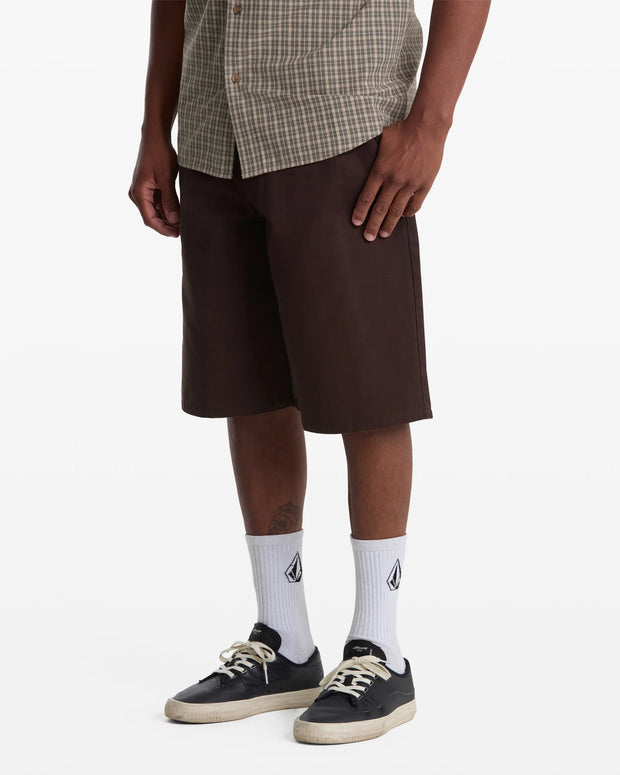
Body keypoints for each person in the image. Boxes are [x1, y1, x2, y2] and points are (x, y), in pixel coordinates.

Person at [129, 0, 490, 746]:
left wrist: (431, 124)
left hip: (339, 121)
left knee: (368, 391)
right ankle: (285, 642)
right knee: (251, 389)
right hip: (216, 131)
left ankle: (381, 650)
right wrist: (154, 129)